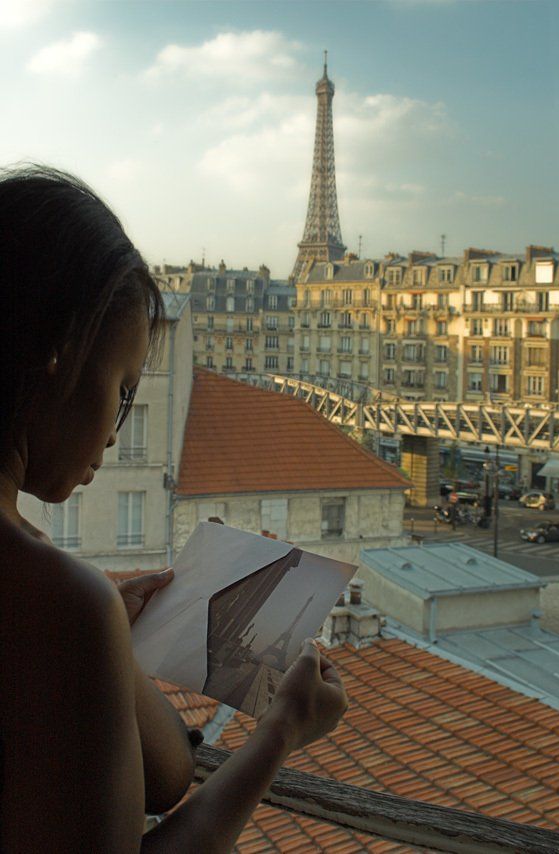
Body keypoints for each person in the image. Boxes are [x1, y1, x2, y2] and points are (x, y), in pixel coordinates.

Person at [0, 165, 348, 853]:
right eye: (124, 389)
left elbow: (165, 773)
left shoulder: (52, 589)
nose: (117, 429)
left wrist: (104, 636)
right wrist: (279, 732)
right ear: (55, 356)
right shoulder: (47, 592)